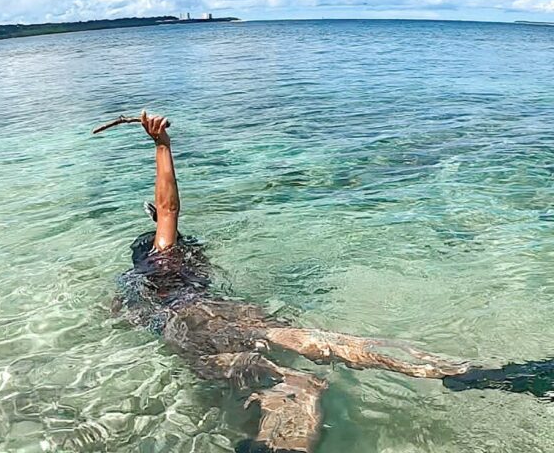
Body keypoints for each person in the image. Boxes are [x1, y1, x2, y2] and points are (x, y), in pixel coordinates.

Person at [106, 111, 553, 453]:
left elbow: (128, 313)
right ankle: (463, 372)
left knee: (289, 386)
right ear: (162, 248)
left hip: (185, 326)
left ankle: (280, 443)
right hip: (224, 312)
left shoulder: (133, 287)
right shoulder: (168, 256)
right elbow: (168, 210)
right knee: (334, 341)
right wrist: (162, 145)